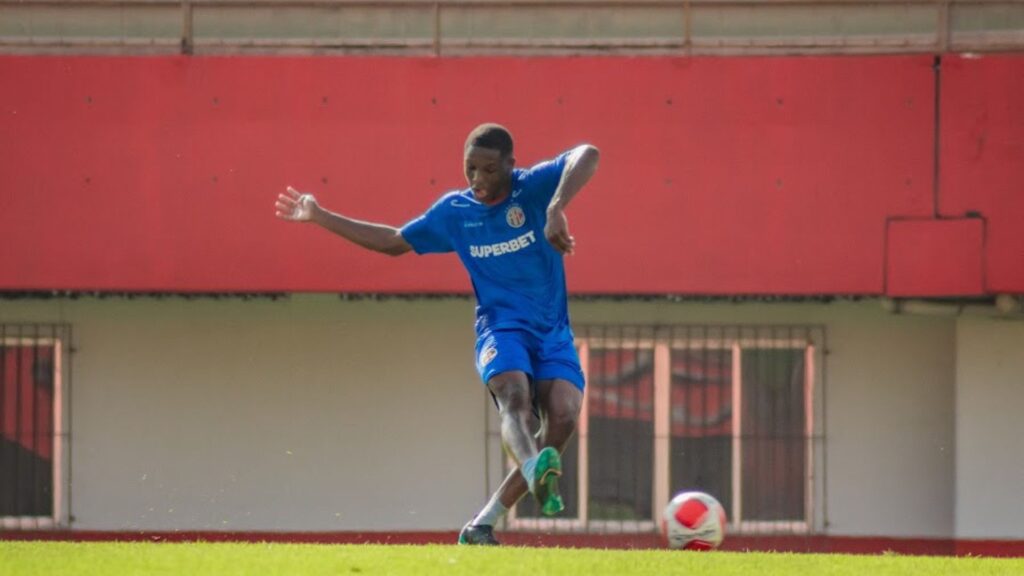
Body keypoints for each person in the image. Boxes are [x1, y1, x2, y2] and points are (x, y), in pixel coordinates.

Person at [275, 123, 600, 545]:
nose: (479, 181)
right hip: (500, 330)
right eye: (470, 169)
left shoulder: (533, 189)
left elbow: (588, 153)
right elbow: (394, 241)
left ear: (510, 165)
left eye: (489, 170)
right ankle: (535, 467)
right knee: (515, 399)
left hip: (552, 331)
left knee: (565, 416)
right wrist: (319, 215)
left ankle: (481, 525)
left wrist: (556, 206)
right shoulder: (455, 212)